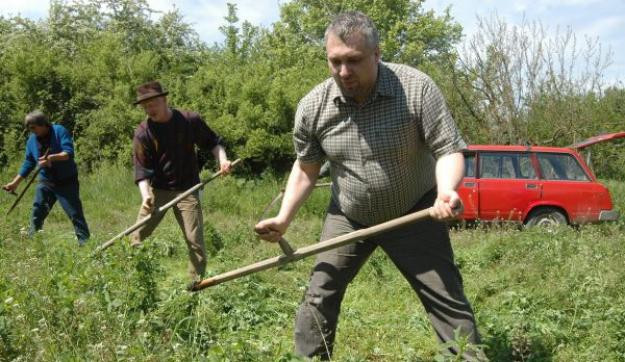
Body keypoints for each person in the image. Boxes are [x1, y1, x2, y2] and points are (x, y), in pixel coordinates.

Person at [255, 11, 480, 360]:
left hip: (415, 212)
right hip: (349, 216)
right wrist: (283, 219)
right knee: (319, 296)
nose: (344, 72)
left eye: (354, 61)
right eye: (335, 62)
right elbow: (306, 169)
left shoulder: (416, 88)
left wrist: (446, 190)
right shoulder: (313, 107)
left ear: (376, 54)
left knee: (447, 301)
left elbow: (447, 149)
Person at [131, 81, 232, 282]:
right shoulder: (143, 132)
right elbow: (141, 170)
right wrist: (145, 197)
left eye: (153, 104)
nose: (150, 110)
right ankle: (133, 280)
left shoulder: (189, 120)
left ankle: (195, 286)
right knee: (135, 237)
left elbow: (213, 143)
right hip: (157, 191)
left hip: (188, 189)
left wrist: (222, 160)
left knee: (195, 242)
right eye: (145, 107)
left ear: (164, 99)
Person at [2, 110, 90, 245]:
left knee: (75, 214)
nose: (31, 131)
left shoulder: (59, 131)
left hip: (66, 181)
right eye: (29, 128)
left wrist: (51, 158)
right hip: (46, 182)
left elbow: (68, 153)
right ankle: (35, 245)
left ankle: (86, 245)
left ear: (43, 124)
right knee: (37, 213)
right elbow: (29, 163)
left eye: (33, 128)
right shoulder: (32, 140)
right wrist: (15, 183)